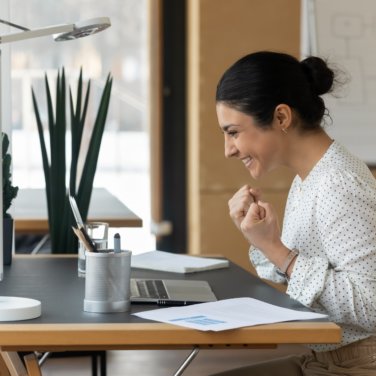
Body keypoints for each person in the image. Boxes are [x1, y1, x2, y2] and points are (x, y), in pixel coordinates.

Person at [212, 51, 376, 375]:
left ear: (282, 118)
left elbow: (371, 305)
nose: (228, 149)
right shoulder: (308, 178)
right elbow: (300, 276)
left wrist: (277, 250)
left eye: (233, 132)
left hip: (358, 364)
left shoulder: (338, 184)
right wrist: (262, 241)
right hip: (326, 358)